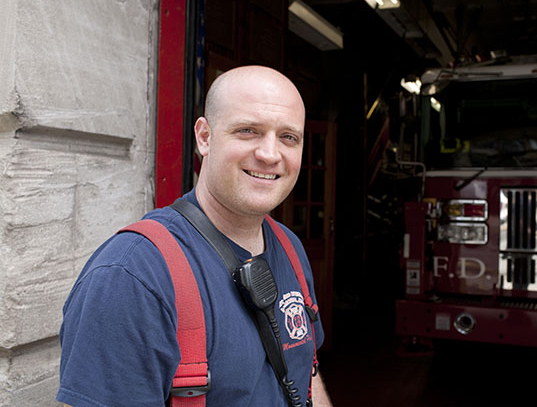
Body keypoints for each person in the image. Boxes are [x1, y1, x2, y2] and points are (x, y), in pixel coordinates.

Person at [57, 66, 333, 407]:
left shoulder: (290, 248)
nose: (270, 154)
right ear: (205, 137)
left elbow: (308, 374)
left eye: (288, 137)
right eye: (248, 131)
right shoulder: (132, 277)